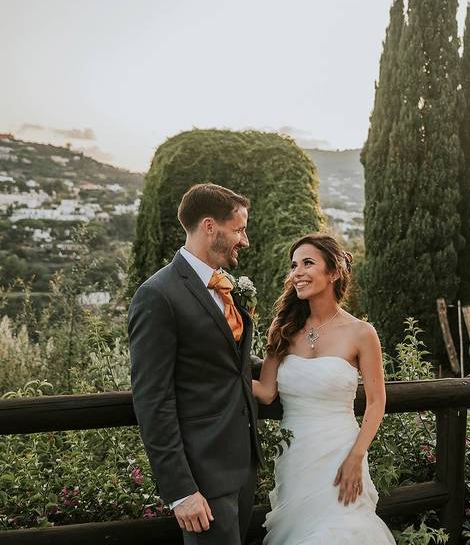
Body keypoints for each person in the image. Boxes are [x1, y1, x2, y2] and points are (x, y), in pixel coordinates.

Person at [128, 183, 261, 544]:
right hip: (201, 477)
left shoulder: (224, 287)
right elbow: (151, 399)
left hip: (241, 466)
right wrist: (181, 491)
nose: (244, 241)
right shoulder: (157, 295)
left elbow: (228, 360)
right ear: (209, 226)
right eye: (239, 229)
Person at [254, 233, 395, 544]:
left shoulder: (361, 333)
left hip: (341, 454)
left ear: (333, 272)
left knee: (342, 532)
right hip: (295, 458)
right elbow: (265, 391)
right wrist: (217, 372)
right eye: (293, 265)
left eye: (307, 263)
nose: (297, 272)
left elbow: (376, 402)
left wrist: (356, 457)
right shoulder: (283, 329)